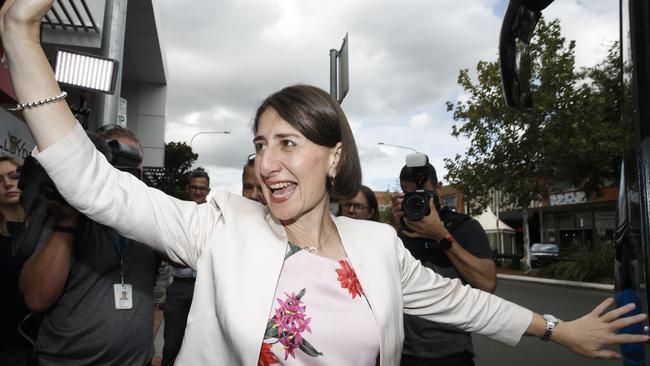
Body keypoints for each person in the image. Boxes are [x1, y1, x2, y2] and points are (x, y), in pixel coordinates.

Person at [1, 2, 647, 363]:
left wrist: (559, 331)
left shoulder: (379, 249)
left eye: (288, 143)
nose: (267, 163)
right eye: (260, 146)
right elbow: (95, 186)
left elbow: (464, 303)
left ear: (334, 158)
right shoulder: (221, 224)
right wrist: (22, 36)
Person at [19, 127, 159, 366]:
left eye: (132, 160)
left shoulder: (152, 219)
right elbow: (37, 298)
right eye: (112, 161)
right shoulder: (63, 213)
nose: (121, 170)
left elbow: (164, 289)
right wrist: (67, 222)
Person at [392, 163, 495, 366]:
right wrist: (395, 230)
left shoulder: (464, 227)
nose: (417, 202)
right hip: (403, 351)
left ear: (438, 188)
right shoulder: (398, 234)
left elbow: (487, 283)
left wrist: (440, 235)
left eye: (423, 195)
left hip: (452, 351)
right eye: (409, 196)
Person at [161, 169, 210, 366]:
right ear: (187, 189)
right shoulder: (176, 213)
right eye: (195, 188)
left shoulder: (216, 215)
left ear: (208, 191)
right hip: (179, 288)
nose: (198, 192)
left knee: (203, 345)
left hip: (205, 289)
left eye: (202, 189)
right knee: (172, 344)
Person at [0, 155, 30, 366]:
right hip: (7, 344)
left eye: (14, 176)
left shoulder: (46, 225)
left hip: (51, 338)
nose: (8, 184)